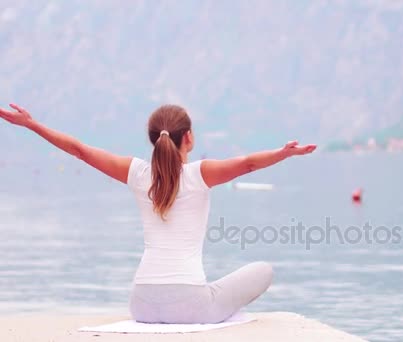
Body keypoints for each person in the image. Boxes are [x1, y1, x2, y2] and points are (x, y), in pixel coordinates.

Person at [0, 103, 316, 324]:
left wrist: (32, 124)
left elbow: (80, 150)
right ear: (188, 138)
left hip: (142, 304)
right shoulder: (200, 174)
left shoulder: (137, 173)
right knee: (263, 270)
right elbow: (247, 163)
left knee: (212, 288)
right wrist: (284, 153)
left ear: (153, 139)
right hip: (191, 306)